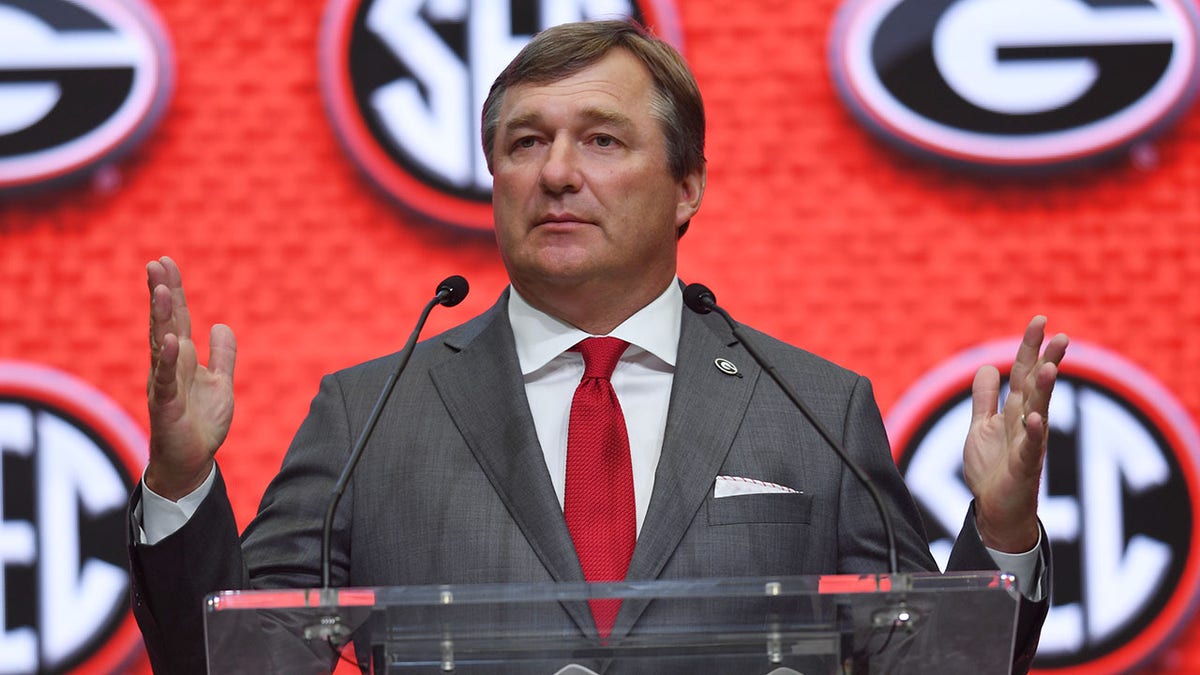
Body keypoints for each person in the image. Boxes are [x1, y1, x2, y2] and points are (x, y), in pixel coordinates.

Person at [128, 19, 1069, 674]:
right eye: (527, 142)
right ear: (493, 177)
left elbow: (923, 662)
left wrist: (1002, 533)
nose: (559, 172)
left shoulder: (816, 410)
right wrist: (179, 482)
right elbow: (228, 658)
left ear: (687, 186)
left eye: (603, 140)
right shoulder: (372, 414)